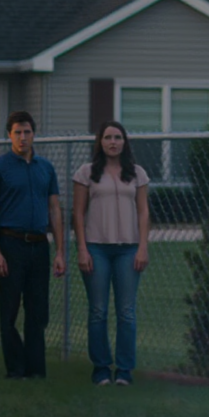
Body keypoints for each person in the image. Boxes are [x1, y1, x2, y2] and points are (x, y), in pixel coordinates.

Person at [0, 110, 65, 379]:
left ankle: (36, 369)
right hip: (10, 245)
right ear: (9, 135)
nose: (23, 137)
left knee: (38, 311)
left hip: (39, 246)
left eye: (27, 132)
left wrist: (60, 252)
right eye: (17, 132)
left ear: (34, 134)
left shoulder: (46, 168)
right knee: (10, 310)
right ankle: (16, 369)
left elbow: (54, 209)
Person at [72, 120, 151, 386]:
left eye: (117, 137)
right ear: (100, 142)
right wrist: (82, 249)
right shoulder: (86, 173)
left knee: (126, 312)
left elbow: (143, 212)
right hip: (96, 248)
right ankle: (101, 368)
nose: (113, 142)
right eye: (108, 137)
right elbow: (78, 214)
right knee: (98, 311)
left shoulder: (137, 173)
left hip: (128, 250)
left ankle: (124, 370)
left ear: (125, 142)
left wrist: (142, 247)